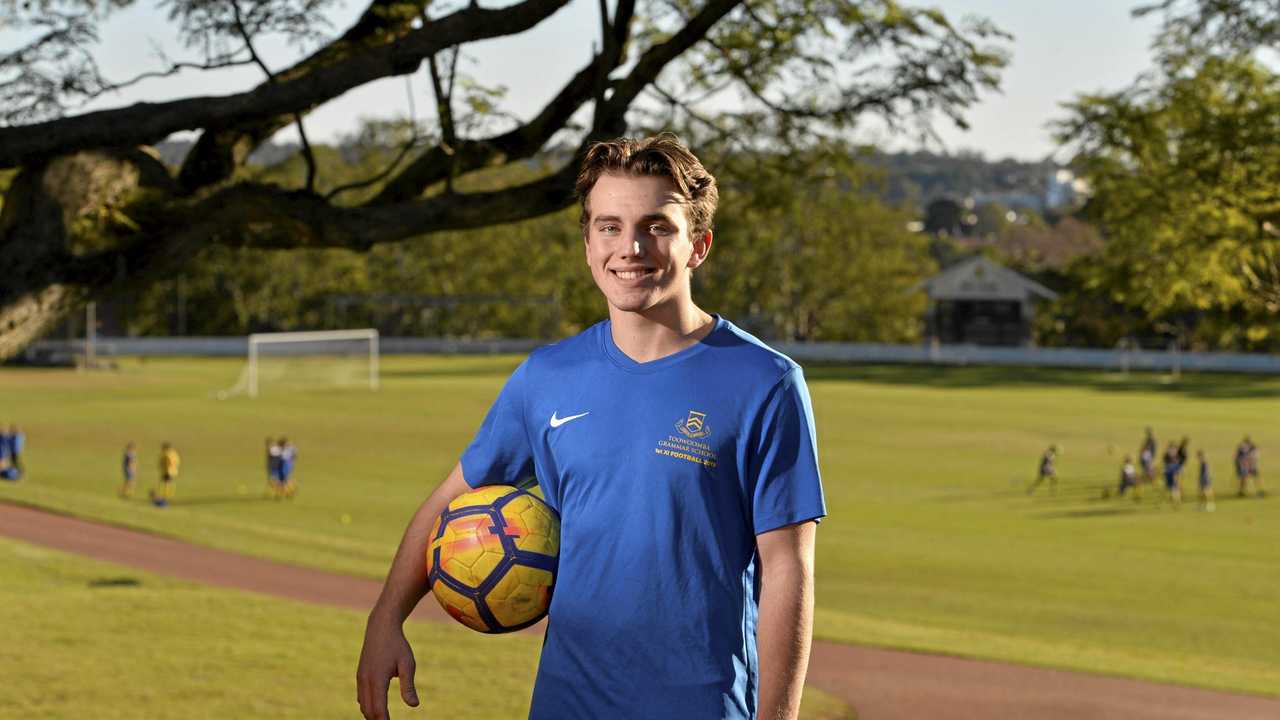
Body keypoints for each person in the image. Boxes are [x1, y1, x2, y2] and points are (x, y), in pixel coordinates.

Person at [356, 135, 826, 720]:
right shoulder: (545, 377)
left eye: (656, 226)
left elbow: (788, 567)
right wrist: (385, 620)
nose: (629, 247)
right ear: (587, 244)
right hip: (565, 704)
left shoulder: (766, 382)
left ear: (699, 245)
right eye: (609, 226)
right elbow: (449, 502)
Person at [151, 442, 181, 507]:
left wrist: (164, 467)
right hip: (173, 471)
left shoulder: (167, 454)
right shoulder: (174, 453)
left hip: (167, 471)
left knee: (165, 484)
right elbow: (177, 461)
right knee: (167, 484)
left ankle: (163, 498)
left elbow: (167, 462)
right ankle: (165, 497)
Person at [1162, 440, 1181, 505]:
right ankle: (1175, 499)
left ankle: (1175, 499)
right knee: (1173, 486)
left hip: (1171, 470)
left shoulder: (1169, 454)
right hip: (1171, 470)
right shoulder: (1171, 454)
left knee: (1173, 486)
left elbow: (1165, 461)